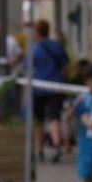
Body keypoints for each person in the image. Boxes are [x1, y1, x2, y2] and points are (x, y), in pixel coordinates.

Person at [31, 19, 69, 163]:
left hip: (39, 87)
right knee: (55, 117)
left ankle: (39, 149)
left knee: (39, 120)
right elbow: (65, 66)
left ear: (37, 32)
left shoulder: (35, 49)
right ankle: (56, 146)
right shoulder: (57, 47)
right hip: (56, 87)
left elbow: (28, 68)